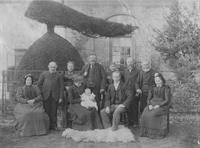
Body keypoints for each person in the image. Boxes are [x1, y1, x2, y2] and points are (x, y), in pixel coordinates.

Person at [140, 73, 171, 138]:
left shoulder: (166, 88)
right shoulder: (152, 88)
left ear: (162, 80)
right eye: (156, 80)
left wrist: (159, 105)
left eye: (159, 80)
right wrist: (149, 105)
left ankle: (156, 133)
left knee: (153, 114)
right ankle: (146, 133)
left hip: (162, 105)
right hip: (152, 103)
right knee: (145, 113)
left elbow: (167, 100)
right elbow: (148, 98)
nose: (157, 81)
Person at [38, 61, 64, 130]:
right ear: (48, 67)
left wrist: (61, 97)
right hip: (45, 96)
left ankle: (54, 125)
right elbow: (39, 84)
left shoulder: (59, 75)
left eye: (54, 67)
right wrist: (41, 93)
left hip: (55, 96)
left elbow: (61, 87)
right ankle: (46, 126)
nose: (53, 68)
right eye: (51, 67)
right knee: (46, 111)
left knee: (54, 111)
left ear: (56, 67)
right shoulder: (44, 74)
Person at [123, 57, 139, 127]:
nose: (129, 63)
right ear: (126, 63)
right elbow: (123, 81)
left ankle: (135, 122)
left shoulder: (138, 71)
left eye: (131, 62)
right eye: (128, 62)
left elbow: (138, 82)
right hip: (127, 91)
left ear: (133, 63)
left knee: (134, 106)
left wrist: (138, 90)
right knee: (128, 106)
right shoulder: (125, 71)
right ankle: (129, 122)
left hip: (134, 91)